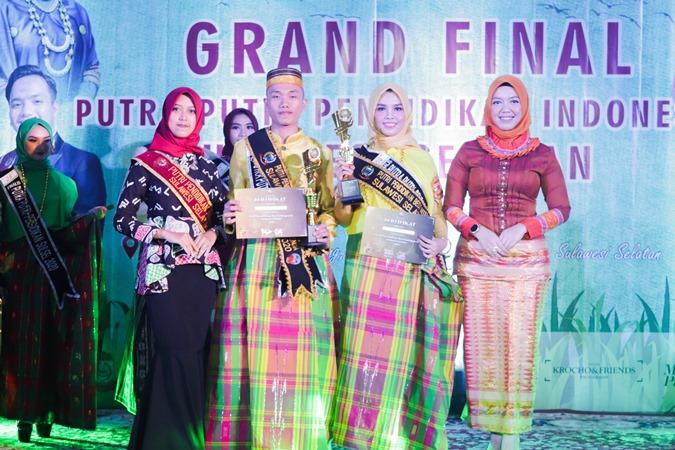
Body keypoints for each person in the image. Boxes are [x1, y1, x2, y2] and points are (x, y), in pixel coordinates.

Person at [206, 67, 339, 449]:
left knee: (303, 355)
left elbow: (327, 209)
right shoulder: (247, 149)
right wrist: (229, 216)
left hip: (305, 263)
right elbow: (234, 203)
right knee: (254, 353)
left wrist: (326, 229)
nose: (284, 103)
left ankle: (303, 437)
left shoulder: (318, 151)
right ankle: (253, 437)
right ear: (266, 102)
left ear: (304, 103)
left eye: (292, 96)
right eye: (276, 96)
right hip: (257, 261)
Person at [329, 83, 462, 450]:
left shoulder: (422, 159)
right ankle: (359, 439)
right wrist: (344, 185)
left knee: (402, 357)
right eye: (382, 108)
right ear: (371, 113)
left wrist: (441, 242)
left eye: (397, 108)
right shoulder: (357, 157)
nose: (389, 116)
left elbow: (435, 214)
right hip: (366, 265)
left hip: (408, 270)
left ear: (408, 113)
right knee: (364, 356)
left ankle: (399, 437)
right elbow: (343, 218)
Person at [443, 75, 571, 450]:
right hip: (477, 263)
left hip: (526, 267)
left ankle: (510, 438)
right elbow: (450, 206)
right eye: (497, 102)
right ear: (487, 107)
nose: (505, 109)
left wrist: (525, 228)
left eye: (513, 101)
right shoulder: (470, 151)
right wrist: (475, 229)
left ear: (524, 107)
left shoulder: (542, 153)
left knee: (518, 350)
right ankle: (495, 437)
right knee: (484, 352)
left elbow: (562, 208)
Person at [113, 87, 227, 450]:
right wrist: (164, 232)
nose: (183, 116)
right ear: (165, 114)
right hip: (162, 271)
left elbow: (226, 218)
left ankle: (181, 437)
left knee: (193, 352)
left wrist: (213, 232)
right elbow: (122, 221)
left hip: (201, 273)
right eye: (176, 109)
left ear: (199, 118)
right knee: (173, 350)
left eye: (190, 111)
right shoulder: (146, 163)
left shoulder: (208, 167)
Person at [0, 118, 102, 443]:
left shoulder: (66, 185)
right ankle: (24, 414)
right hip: (17, 277)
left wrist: (89, 220)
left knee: (52, 344)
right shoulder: (6, 183)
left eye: (46, 140)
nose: (40, 146)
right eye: (33, 140)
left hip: (54, 276)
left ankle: (47, 414)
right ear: (21, 142)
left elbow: (66, 237)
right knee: (21, 344)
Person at [0, 65, 106, 216]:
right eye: (17, 104)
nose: (26, 111)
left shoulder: (83, 162)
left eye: (37, 101)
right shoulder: (4, 164)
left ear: (54, 107)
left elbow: (90, 224)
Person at [0, 0, 100, 99]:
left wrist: (77, 102)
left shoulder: (77, 11)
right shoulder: (5, 9)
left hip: (70, 107)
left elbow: (91, 69)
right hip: (20, 107)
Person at [212, 107, 259, 188]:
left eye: (249, 127)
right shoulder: (216, 166)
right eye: (236, 127)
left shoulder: (268, 165)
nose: (243, 134)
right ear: (227, 132)